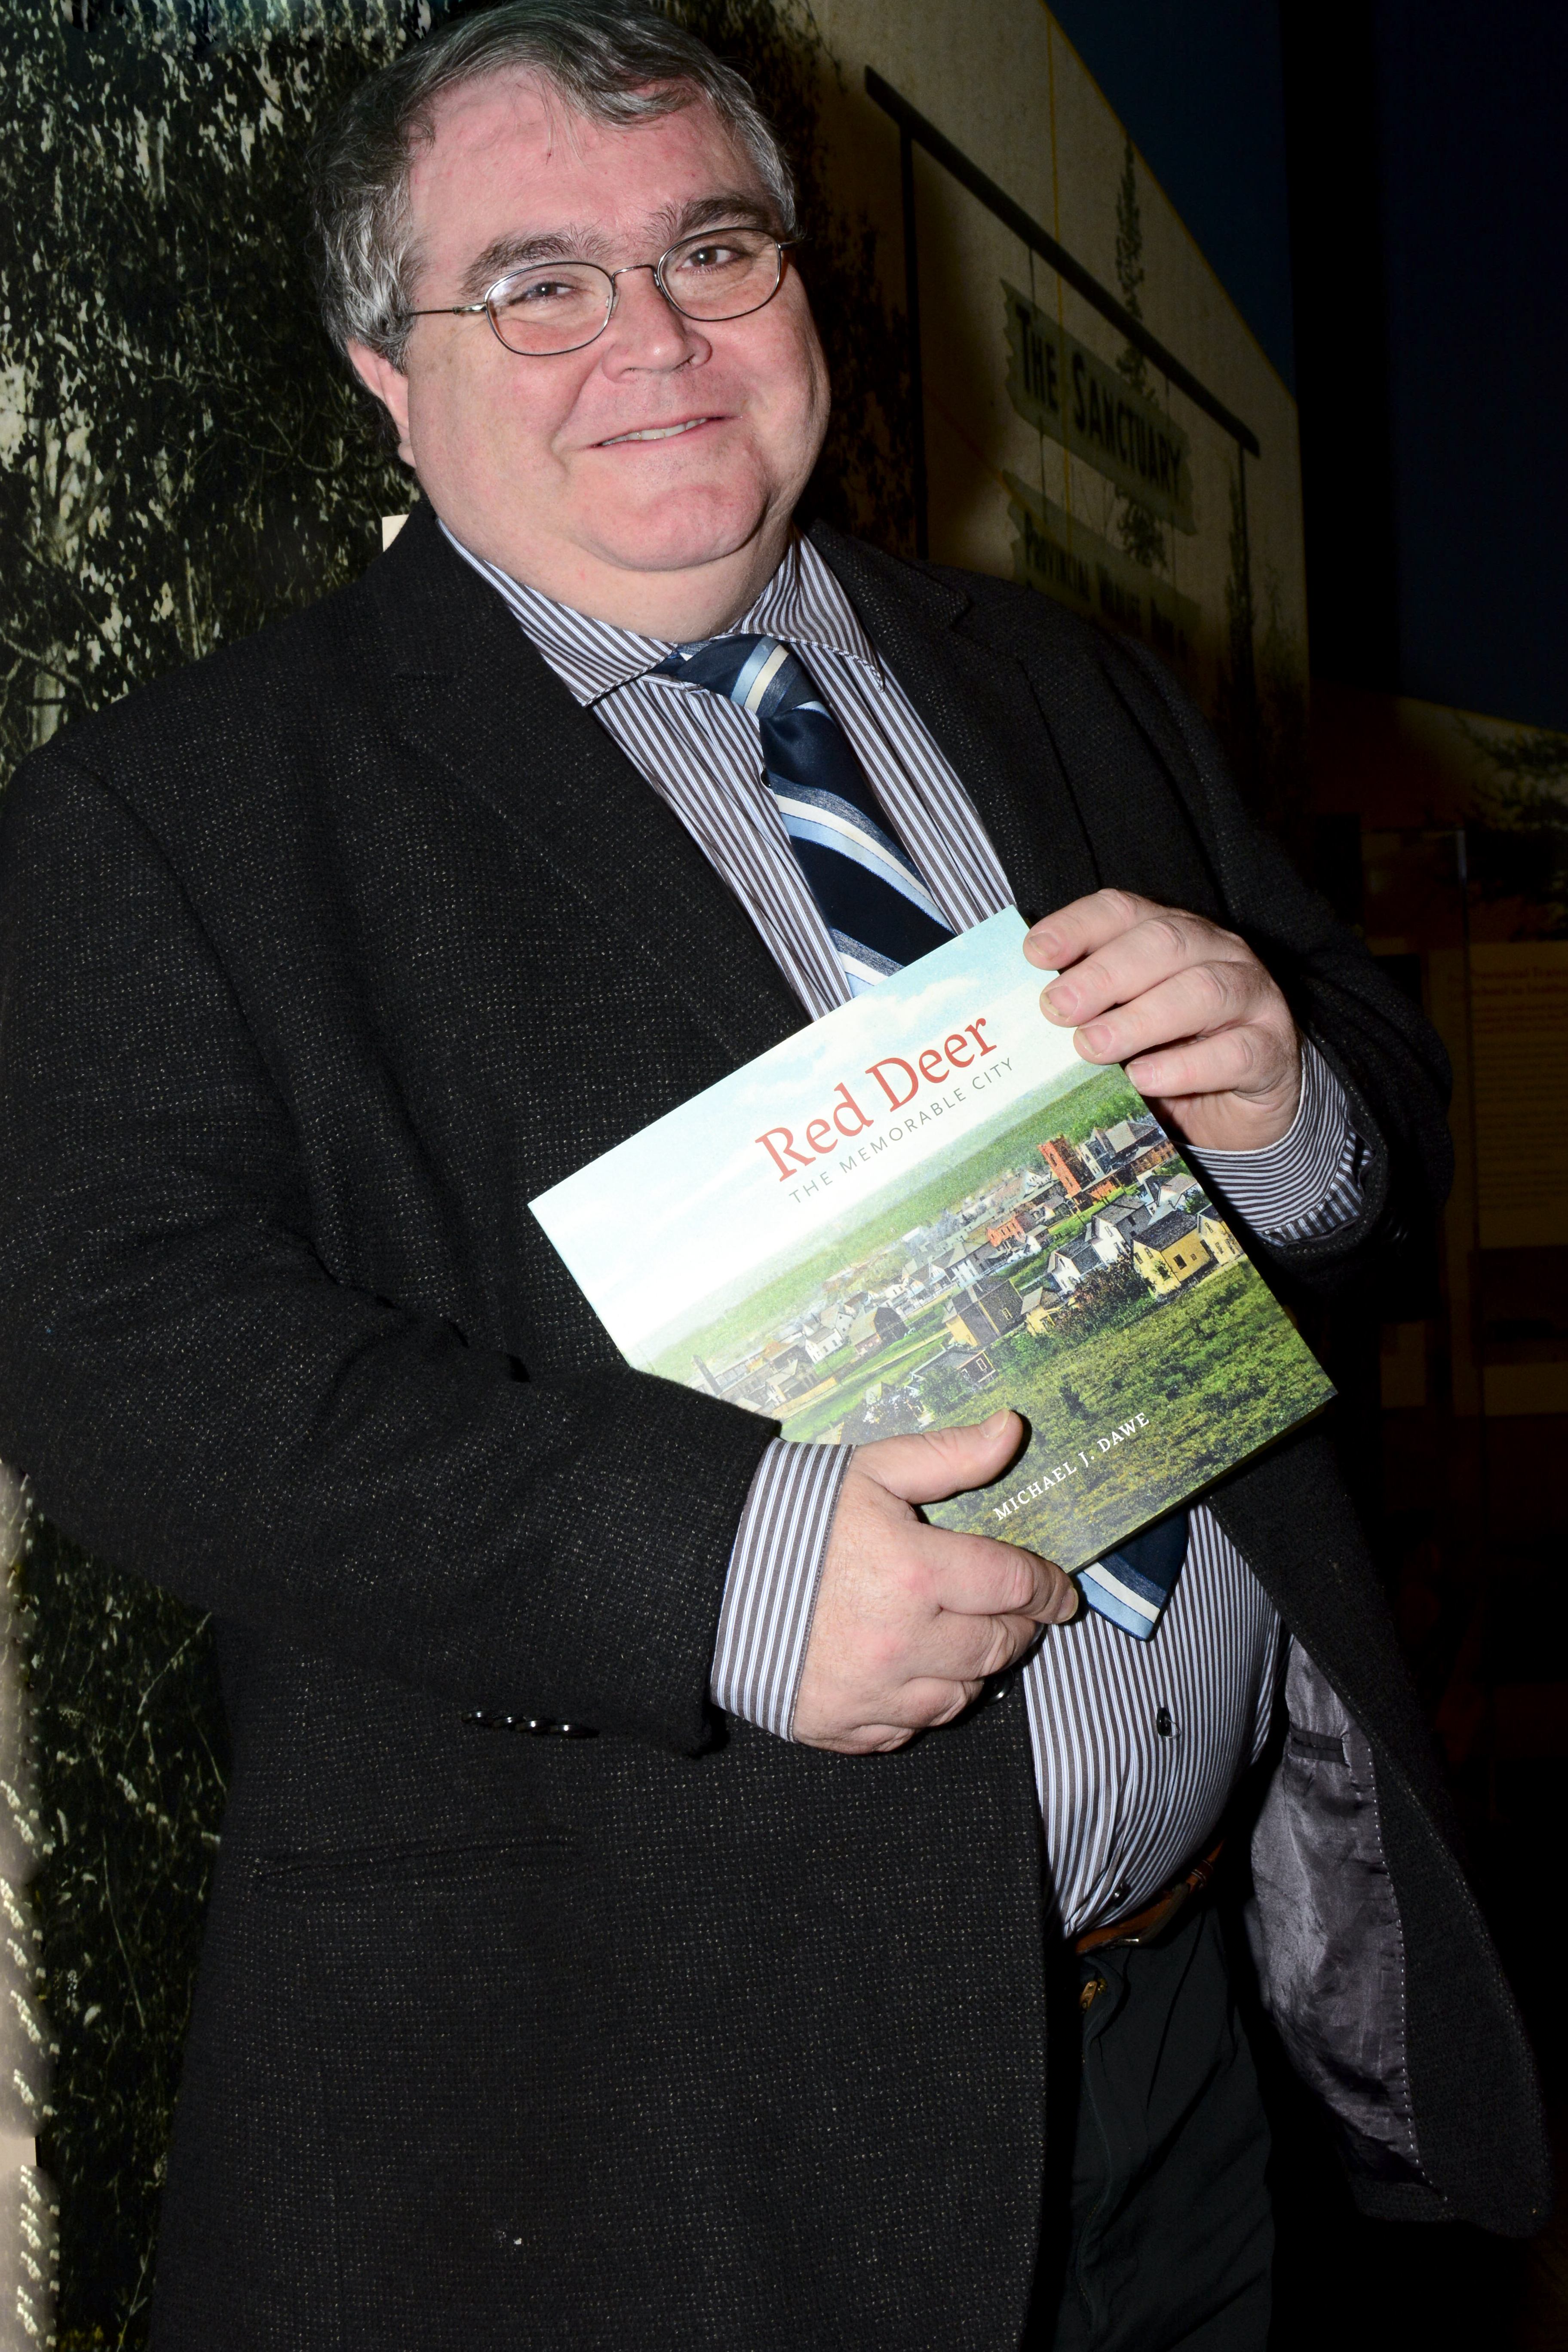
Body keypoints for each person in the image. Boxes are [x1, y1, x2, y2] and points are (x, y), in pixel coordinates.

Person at [0, 7, 1546, 2347]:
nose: (659, 339)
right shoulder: (178, 819)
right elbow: (109, 1348)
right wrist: (709, 1566)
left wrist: (1293, 1112)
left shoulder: (1072, 686)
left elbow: (1365, 1087)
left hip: (1189, 2052)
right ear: (379, 370)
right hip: (640, 2133)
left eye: (714, 249)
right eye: (539, 282)